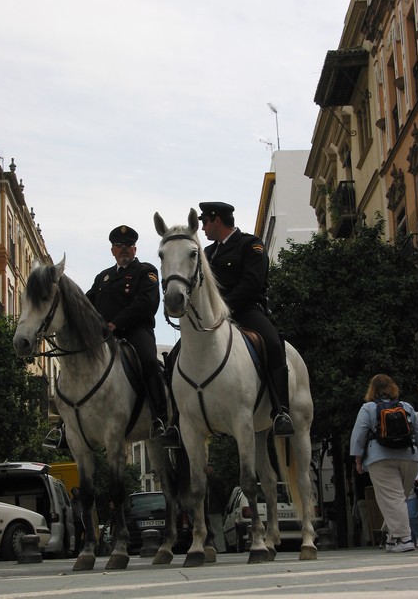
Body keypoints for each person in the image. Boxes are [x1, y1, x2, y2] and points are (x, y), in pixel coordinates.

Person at [198, 201, 294, 437]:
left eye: (205, 222)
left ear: (217, 221)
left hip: (245, 311)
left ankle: (281, 410)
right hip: (213, 318)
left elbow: (252, 283)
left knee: (272, 343)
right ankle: (182, 415)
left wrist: (224, 307)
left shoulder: (250, 245)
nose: (202, 228)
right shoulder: (207, 254)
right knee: (181, 352)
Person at [86, 225, 180, 448]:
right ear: (112, 251)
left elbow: (145, 303)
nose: (124, 249)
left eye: (128, 245)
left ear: (135, 249)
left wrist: (115, 323)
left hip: (136, 331)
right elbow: (86, 305)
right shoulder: (103, 278)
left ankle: (161, 419)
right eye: (119, 246)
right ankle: (67, 424)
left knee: (148, 362)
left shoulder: (145, 271)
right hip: (105, 336)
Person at [350, 373, 418, 553]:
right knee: (398, 498)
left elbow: (358, 436)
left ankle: (405, 538)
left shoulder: (368, 408)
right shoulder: (406, 406)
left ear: (371, 390)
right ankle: (391, 538)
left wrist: (358, 461)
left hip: (380, 458)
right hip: (409, 457)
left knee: (392, 499)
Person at [206, 463, 228, 553]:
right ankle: (220, 548)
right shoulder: (216, 479)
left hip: (210, 509)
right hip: (215, 508)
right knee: (217, 529)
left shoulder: (207, 480)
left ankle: (216, 547)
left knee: (213, 529)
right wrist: (224, 506)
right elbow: (221, 494)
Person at [406, 471, 418, 547]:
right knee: (405, 519)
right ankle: (410, 539)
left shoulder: (410, 468)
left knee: (412, 516)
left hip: (412, 496)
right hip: (398, 498)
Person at [71, 486, 84, 557]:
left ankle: (85, 548)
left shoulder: (83, 500)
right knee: (77, 537)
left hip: (84, 520)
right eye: (74, 492)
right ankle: (76, 551)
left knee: (87, 535)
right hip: (77, 521)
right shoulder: (72, 501)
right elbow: (72, 509)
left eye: (76, 491)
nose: (75, 493)